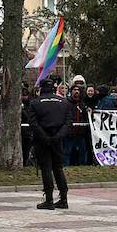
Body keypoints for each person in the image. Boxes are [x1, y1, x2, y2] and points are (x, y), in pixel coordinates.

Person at [28, 79, 73, 209]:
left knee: (46, 168)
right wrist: (58, 136)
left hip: (42, 140)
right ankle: (63, 198)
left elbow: (33, 123)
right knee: (58, 168)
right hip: (58, 140)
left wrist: (45, 137)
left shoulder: (35, 103)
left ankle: (49, 199)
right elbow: (68, 122)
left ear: (41, 89)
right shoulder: (64, 102)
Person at [63, 86, 87, 166]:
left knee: (82, 151)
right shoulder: (66, 103)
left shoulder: (82, 103)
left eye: (78, 90)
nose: (76, 91)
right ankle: (65, 165)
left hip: (80, 132)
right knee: (67, 151)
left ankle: (83, 165)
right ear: (71, 91)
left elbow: (84, 116)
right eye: (74, 90)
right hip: (70, 132)